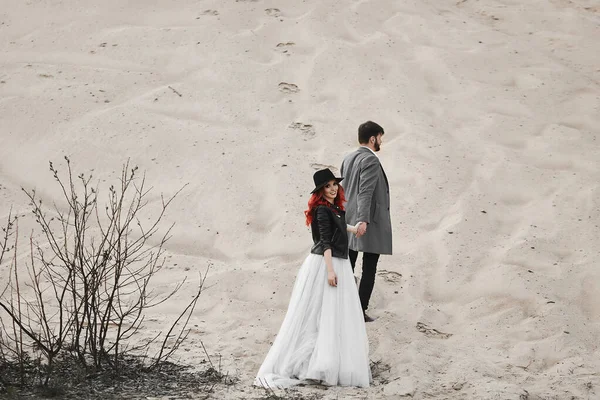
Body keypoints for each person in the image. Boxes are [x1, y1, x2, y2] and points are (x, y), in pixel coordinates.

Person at [254, 168, 371, 389]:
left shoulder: (333, 208)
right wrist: (330, 271)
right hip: (326, 262)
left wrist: (352, 229)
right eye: (327, 186)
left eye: (334, 184)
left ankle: (329, 360)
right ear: (319, 191)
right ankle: (315, 363)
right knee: (320, 313)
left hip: (338, 261)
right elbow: (325, 240)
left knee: (333, 314)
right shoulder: (320, 210)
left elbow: (337, 225)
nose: (333, 188)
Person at [340, 121, 392, 323]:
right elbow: (366, 192)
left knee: (348, 264)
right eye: (380, 137)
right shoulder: (370, 160)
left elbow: (343, 190)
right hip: (368, 221)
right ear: (373, 138)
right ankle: (359, 310)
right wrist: (363, 219)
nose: (381, 141)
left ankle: (343, 306)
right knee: (369, 266)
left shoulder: (348, 157)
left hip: (348, 217)